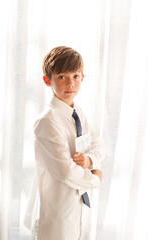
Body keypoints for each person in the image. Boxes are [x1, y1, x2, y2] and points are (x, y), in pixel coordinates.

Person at [24, 46, 104, 240]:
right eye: (62, 77)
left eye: (76, 76)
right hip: (58, 213)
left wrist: (89, 160)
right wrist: (95, 179)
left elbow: (98, 145)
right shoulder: (47, 121)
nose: (71, 83)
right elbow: (64, 171)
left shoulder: (79, 113)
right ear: (47, 80)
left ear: (82, 77)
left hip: (79, 208)